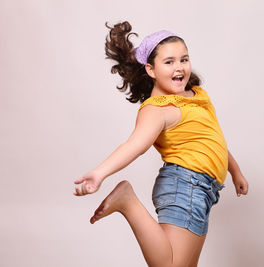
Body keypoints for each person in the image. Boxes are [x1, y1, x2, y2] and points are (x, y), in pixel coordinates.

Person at [73, 21, 248, 267]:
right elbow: (135, 145)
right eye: (169, 62)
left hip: (203, 191)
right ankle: (128, 201)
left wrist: (235, 171)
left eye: (184, 59)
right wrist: (99, 173)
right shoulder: (157, 110)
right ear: (151, 70)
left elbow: (211, 138)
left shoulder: (194, 95)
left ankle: (127, 201)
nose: (179, 67)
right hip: (185, 187)